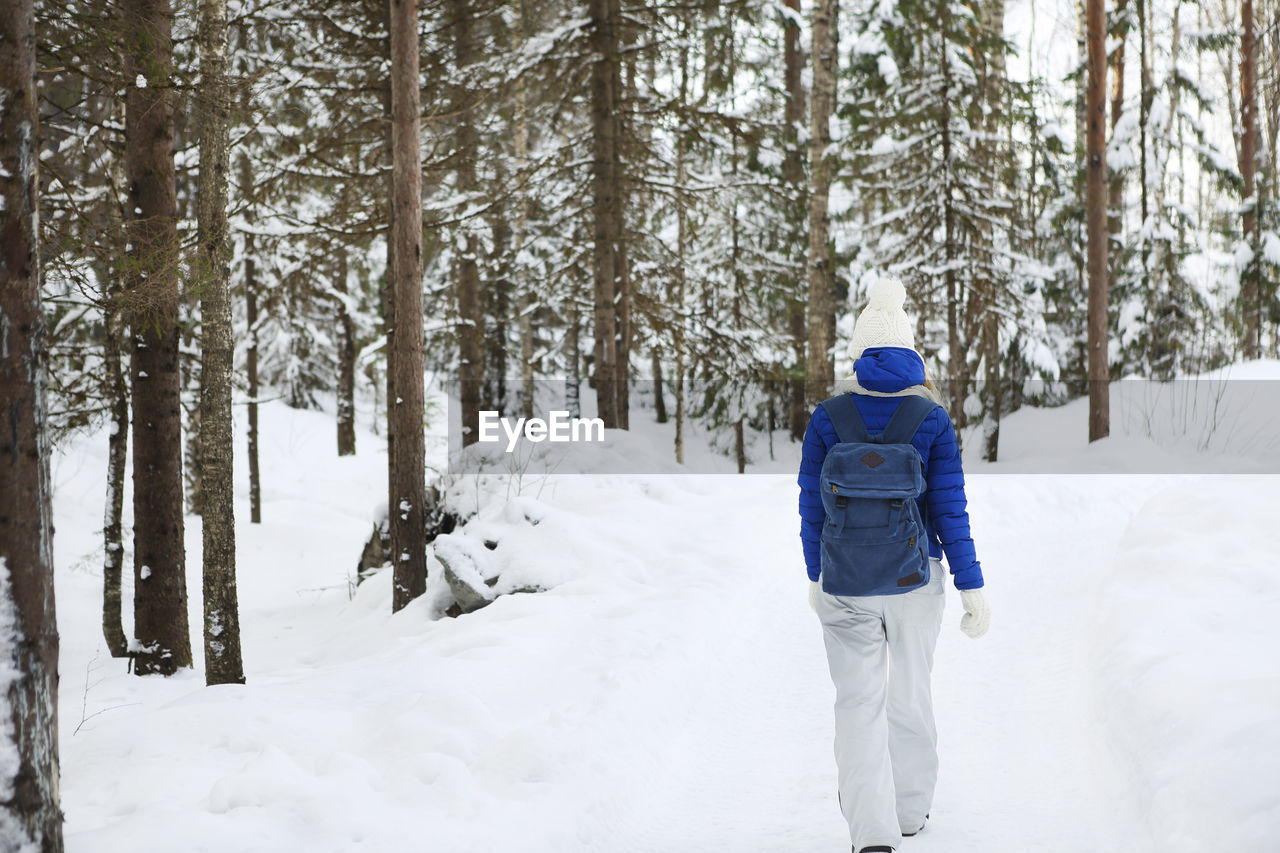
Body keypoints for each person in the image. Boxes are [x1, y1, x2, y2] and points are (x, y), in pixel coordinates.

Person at [797, 277, 990, 853]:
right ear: (912, 354)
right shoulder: (930, 419)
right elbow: (948, 509)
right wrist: (970, 585)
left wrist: (815, 574)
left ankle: (872, 834)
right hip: (915, 579)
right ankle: (909, 812)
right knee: (910, 694)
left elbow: (811, 508)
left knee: (857, 704)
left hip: (845, 583)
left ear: (858, 355)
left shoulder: (827, 417)